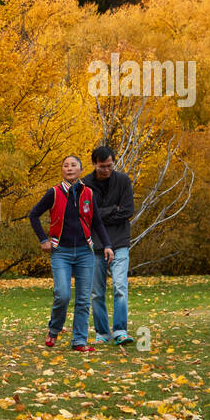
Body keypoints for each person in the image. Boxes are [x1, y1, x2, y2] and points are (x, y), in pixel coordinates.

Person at [28, 155, 113, 351]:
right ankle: (54, 329)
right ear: (62, 170)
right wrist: (43, 239)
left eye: (73, 165)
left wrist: (107, 244)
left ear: (81, 170)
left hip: (85, 252)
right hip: (61, 252)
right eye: (65, 165)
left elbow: (97, 222)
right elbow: (33, 214)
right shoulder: (54, 193)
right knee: (63, 295)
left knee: (83, 300)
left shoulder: (89, 194)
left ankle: (79, 341)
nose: (69, 168)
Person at [85, 146, 135, 345]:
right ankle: (102, 333)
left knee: (120, 286)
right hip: (95, 244)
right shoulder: (85, 185)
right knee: (97, 291)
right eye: (102, 166)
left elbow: (127, 211)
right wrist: (111, 211)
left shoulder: (123, 181)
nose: (106, 170)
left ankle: (120, 330)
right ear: (94, 164)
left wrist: (100, 214)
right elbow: (87, 215)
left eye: (110, 166)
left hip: (119, 241)